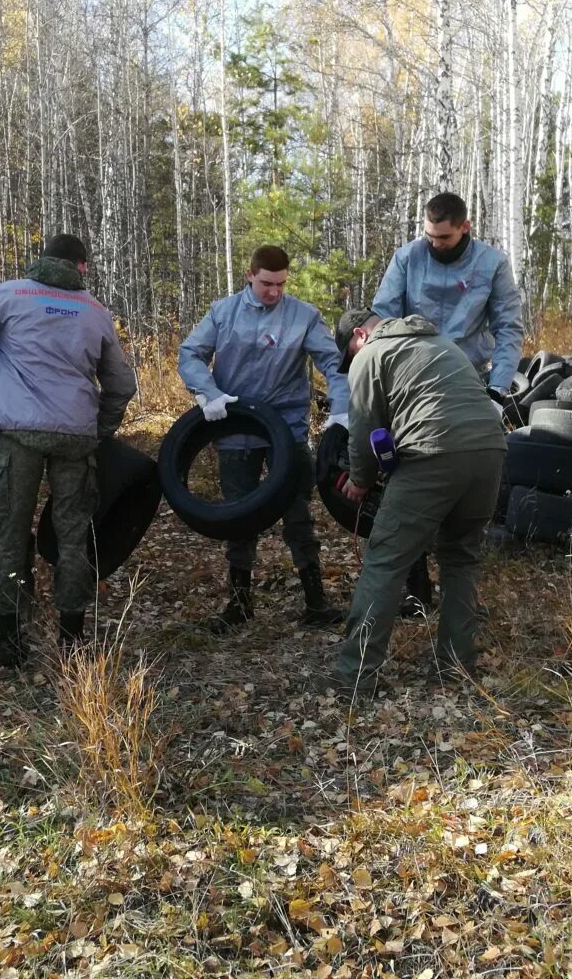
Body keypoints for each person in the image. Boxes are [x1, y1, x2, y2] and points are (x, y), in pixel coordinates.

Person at [0, 234, 137, 666]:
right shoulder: (95, 311)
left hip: (19, 435)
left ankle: (11, 643)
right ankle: (71, 641)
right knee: (73, 537)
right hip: (74, 438)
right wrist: (99, 429)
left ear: (42, 259)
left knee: (12, 534)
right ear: (81, 267)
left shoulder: (7, 295)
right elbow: (122, 385)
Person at [329, 309, 506, 698]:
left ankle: (355, 677)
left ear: (360, 335)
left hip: (433, 454)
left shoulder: (372, 355)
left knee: (387, 560)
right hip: (491, 451)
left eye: (350, 354)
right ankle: (456, 668)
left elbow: (362, 428)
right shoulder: (442, 344)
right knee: (461, 558)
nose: (351, 362)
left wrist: (359, 481)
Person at [178, 245, 351, 632]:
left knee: (298, 514)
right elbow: (190, 354)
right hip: (235, 427)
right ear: (249, 276)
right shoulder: (223, 313)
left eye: (281, 284)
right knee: (239, 514)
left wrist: (341, 408)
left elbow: (333, 364)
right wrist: (208, 392)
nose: (273, 292)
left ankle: (315, 601)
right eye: (266, 283)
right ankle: (239, 603)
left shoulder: (303, 316)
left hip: (285, 431)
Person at [371, 191, 523, 614]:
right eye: (429, 235)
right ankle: (415, 588)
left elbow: (509, 328)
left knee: (462, 477)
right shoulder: (407, 258)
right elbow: (383, 316)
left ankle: (458, 582)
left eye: (443, 237)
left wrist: (496, 391)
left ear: (464, 228)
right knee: (405, 475)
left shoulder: (491, 264)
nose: (434, 244)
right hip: (410, 381)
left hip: (467, 381)